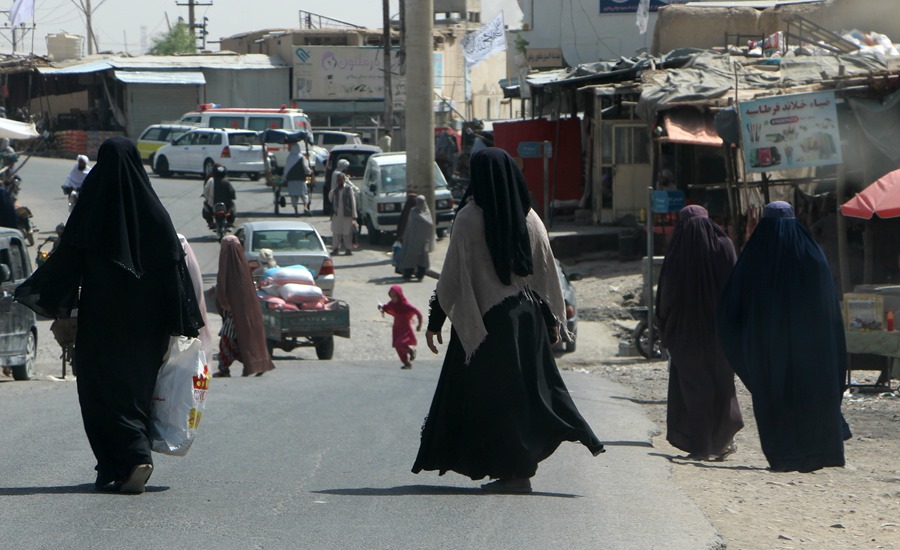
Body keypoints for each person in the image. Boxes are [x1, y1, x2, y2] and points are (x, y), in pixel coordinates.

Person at [13, 137, 204, 494]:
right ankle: (124, 462)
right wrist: (179, 322)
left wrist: (47, 298)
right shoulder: (156, 216)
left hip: (102, 323)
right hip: (149, 328)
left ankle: (129, 458)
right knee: (137, 390)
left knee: (100, 392)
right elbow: (175, 273)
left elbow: (66, 263)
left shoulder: (91, 212)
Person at [412, 147, 604, 494]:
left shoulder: (469, 218)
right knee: (528, 394)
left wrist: (435, 322)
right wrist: (551, 324)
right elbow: (545, 276)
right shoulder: (530, 217)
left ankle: (515, 473)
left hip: (485, 324)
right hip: (526, 323)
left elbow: (452, 277)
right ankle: (516, 467)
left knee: (489, 399)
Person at [717, 201, 851, 473]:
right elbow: (829, 309)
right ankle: (818, 453)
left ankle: (784, 456)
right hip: (813, 351)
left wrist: (745, 347)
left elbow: (729, 309)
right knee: (811, 393)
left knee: (774, 395)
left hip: (769, 351)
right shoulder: (813, 256)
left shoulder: (754, 258)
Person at [655, 205, 743, 461]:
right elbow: (736, 288)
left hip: (685, 334)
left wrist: (663, 326)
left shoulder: (677, 253)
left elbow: (666, 296)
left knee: (694, 387)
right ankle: (724, 441)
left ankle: (701, 446)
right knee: (723, 384)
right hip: (721, 330)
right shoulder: (725, 246)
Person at [214, 235, 275, 378]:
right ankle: (255, 364)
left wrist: (221, 298)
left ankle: (224, 368)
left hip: (235, 310)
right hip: (247, 308)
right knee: (243, 338)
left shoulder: (228, 264)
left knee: (227, 339)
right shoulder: (242, 263)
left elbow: (223, 285)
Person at [378, 285, 423, 369]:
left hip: (405, 328)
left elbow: (418, 312)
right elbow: (386, 307)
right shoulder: (392, 304)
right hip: (396, 328)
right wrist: (381, 307)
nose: (393, 298)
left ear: (399, 295)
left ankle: (410, 350)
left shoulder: (405, 305)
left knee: (400, 344)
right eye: (391, 296)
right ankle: (407, 363)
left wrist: (419, 325)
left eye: (395, 296)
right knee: (397, 346)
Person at [397, 195, 433, 281]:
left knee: (420, 257)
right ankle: (410, 273)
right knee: (414, 256)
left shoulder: (424, 212)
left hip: (420, 239)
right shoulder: (414, 211)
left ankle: (419, 274)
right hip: (416, 239)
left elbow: (429, 224)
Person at [328, 159, 357, 255]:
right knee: (336, 232)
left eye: (341, 180)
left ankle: (348, 249)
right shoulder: (335, 190)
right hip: (337, 214)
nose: (339, 181)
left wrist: (354, 216)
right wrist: (333, 190)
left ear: (344, 180)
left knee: (347, 233)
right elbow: (330, 198)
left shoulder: (348, 189)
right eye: (338, 180)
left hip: (346, 214)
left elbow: (352, 202)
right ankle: (335, 248)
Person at [202, 164, 236, 229]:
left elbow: (206, 192)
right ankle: (230, 222)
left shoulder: (210, 180)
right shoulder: (226, 181)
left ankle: (210, 222)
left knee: (205, 207)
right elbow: (232, 193)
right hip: (226, 205)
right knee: (232, 206)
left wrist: (207, 198)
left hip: (212, 204)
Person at [284, 140, 311, 216]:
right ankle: (305, 207)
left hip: (291, 180)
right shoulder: (302, 157)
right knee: (304, 194)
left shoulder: (289, 157)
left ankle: (296, 211)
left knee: (294, 196)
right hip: (301, 179)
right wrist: (310, 172)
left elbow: (286, 170)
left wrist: (285, 179)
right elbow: (306, 168)